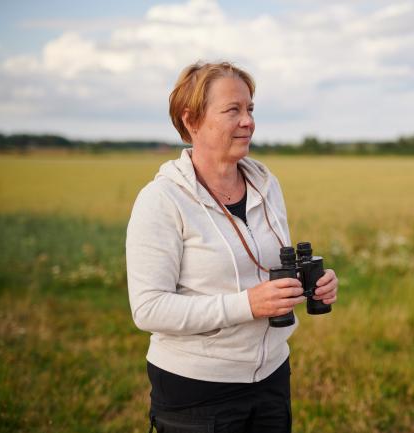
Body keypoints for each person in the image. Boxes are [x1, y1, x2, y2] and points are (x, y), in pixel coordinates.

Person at [126, 61, 338, 433]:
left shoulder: (266, 185)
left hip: (272, 376)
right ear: (191, 120)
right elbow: (148, 309)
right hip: (197, 391)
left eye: (250, 108)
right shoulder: (161, 199)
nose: (248, 121)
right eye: (233, 110)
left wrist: (313, 284)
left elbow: (269, 267)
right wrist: (247, 305)